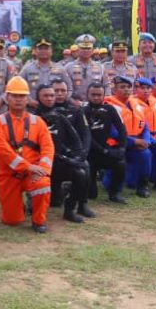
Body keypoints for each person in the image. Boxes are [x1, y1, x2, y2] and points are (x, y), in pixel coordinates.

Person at [0, 76, 55, 233]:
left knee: (43, 184)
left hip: (33, 173)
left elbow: (48, 147)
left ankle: (39, 220)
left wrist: (44, 169)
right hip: (9, 175)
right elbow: (4, 153)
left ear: (27, 99)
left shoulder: (38, 121)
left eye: (22, 96)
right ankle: (20, 206)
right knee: (12, 221)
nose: (18, 100)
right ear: (7, 98)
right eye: (14, 96)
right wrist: (28, 167)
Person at [37, 84, 93, 223]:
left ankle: (71, 209)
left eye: (52, 95)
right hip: (38, 165)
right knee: (53, 202)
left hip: (59, 161)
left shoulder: (61, 117)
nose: (50, 98)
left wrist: (79, 155)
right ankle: (35, 199)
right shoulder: (32, 117)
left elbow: (76, 138)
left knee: (81, 170)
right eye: (46, 95)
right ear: (38, 97)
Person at [105, 75, 153, 198]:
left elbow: (145, 125)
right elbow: (112, 132)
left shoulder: (136, 103)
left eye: (128, 87)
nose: (126, 89)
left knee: (145, 154)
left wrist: (146, 140)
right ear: (114, 90)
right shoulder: (108, 105)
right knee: (109, 184)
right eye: (122, 87)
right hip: (116, 145)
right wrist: (134, 141)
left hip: (135, 144)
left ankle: (142, 186)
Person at [82, 82, 128, 204]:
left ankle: (114, 193)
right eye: (93, 95)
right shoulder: (83, 111)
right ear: (87, 95)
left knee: (120, 163)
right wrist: (104, 151)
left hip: (105, 150)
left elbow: (122, 130)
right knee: (92, 195)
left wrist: (122, 148)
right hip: (89, 154)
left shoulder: (110, 109)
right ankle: (73, 187)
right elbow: (87, 136)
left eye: (99, 95)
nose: (96, 97)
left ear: (104, 95)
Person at [20, 39, 66, 109]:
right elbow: (18, 86)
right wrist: (28, 99)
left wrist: (63, 99)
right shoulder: (27, 68)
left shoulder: (60, 68)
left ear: (51, 51)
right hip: (33, 108)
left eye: (46, 48)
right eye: (40, 49)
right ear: (35, 51)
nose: (43, 51)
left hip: (55, 108)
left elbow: (69, 86)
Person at [64, 35, 105, 103]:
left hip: (96, 104)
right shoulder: (68, 67)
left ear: (92, 50)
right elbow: (65, 88)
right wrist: (72, 101)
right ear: (78, 50)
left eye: (88, 48)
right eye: (83, 48)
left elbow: (106, 86)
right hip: (74, 105)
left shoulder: (101, 67)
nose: (86, 51)